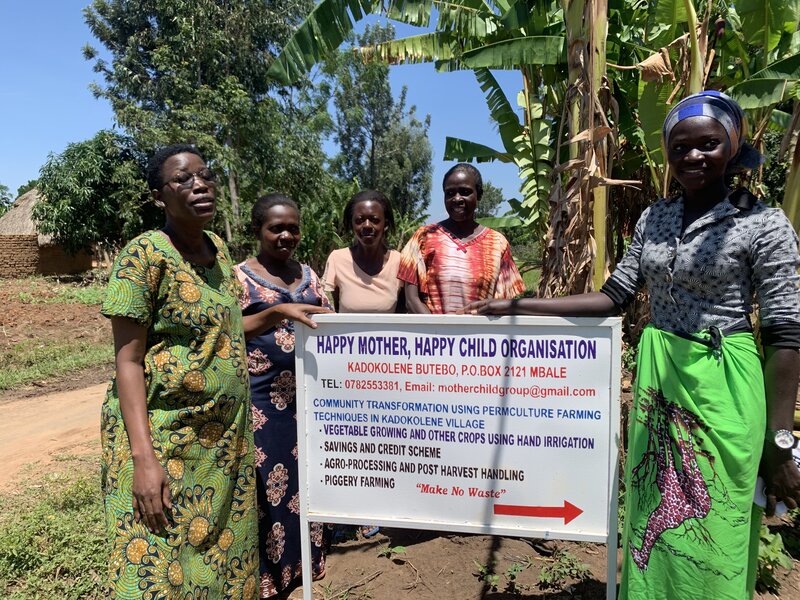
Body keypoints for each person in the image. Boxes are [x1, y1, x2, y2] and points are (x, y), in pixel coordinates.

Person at [464, 91, 800, 599]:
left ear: (731, 146)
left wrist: (780, 440)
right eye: (680, 148)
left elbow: (785, 332)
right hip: (659, 385)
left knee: (716, 522)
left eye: (707, 144)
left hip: (726, 387)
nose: (692, 157)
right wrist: (521, 306)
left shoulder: (764, 224)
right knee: (652, 516)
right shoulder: (655, 218)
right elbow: (613, 296)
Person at [101, 144, 259, 598]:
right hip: (166, 439)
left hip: (222, 448)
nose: (200, 185)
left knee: (222, 560)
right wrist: (143, 459)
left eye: (206, 176)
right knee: (159, 561)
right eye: (183, 179)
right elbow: (128, 360)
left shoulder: (221, 251)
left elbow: (223, 330)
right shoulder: (144, 255)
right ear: (158, 196)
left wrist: (277, 312)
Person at [234, 194, 332, 598]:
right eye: (276, 228)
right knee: (267, 491)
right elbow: (227, 329)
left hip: (309, 401)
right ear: (258, 230)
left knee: (307, 483)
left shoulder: (309, 275)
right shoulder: (239, 277)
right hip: (263, 404)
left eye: (292, 227)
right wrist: (276, 313)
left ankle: (307, 563)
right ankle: (270, 576)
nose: (286, 235)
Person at [398, 163, 525, 313]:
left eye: (465, 192)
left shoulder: (498, 243)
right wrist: (438, 332)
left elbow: (502, 303)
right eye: (450, 193)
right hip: (432, 333)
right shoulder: (424, 237)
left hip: (480, 335)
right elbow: (411, 300)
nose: (457, 199)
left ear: (479, 194)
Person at [322, 189, 404, 314]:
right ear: (352, 224)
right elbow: (337, 307)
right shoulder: (337, 259)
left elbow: (401, 312)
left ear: (385, 225)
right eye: (359, 220)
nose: (367, 225)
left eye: (375, 220)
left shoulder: (400, 262)